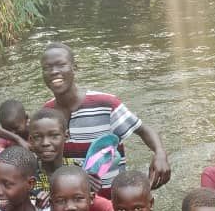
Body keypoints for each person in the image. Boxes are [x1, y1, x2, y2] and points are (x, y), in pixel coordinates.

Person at [41, 42, 171, 194]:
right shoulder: (47, 114)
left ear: (75, 67)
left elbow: (143, 130)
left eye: (61, 65)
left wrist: (160, 153)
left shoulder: (106, 104)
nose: (54, 71)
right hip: (75, 203)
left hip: (114, 200)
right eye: (47, 68)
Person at [28, 107, 114, 211]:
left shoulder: (79, 171)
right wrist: (36, 208)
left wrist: (91, 189)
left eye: (54, 135)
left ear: (66, 136)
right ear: (30, 141)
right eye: (38, 137)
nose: (45, 143)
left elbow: (89, 205)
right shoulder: (27, 176)